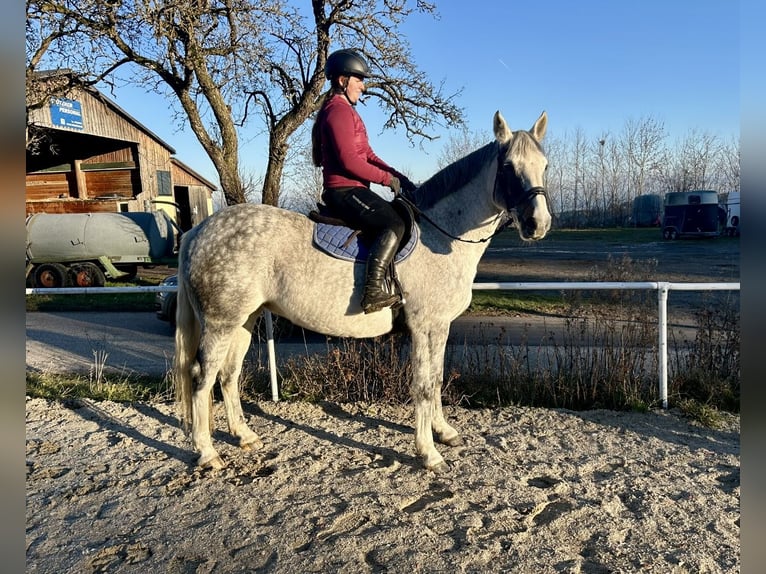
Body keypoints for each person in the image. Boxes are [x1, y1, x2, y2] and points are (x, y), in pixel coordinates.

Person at [312, 48, 416, 314]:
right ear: (342, 80)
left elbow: (367, 155)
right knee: (393, 222)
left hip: (354, 188)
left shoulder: (347, 111)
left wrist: (398, 176)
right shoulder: (338, 111)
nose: (363, 86)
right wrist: (384, 179)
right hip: (343, 190)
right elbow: (349, 161)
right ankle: (372, 291)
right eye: (359, 79)